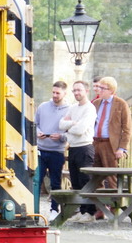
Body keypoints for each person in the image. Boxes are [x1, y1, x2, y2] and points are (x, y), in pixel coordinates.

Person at [59, 80, 97, 222]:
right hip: (73, 148)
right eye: (74, 90)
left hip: (84, 147)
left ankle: (90, 212)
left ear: (86, 91)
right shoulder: (73, 108)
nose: (76, 93)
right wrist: (72, 124)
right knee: (75, 181)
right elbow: (61, 124)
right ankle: (82, 210)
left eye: (79, 90)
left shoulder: (89, 108)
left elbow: (81, 130)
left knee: (86, 181)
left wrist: (70, 128)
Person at [36, 81, 70, 221]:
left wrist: (61, 137)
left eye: (58, 93)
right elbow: (35, 123)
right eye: (53, 92)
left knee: (55, 181)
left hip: (57, 150)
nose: (55, 95)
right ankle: (34, 209)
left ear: (64, 93)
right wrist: (38, 132)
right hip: (40, 149)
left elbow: (71, 131)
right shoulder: (43, 107)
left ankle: (54, 209)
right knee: (36, 180)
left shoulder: (69, 110)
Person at [92, 77, 131, 198]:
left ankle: (115, 206)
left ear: (111, 90)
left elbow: (127, 129)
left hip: (110, 144)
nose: (100, 90)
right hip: (95, 143)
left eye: (103, 88)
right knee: (95, 176)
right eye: (99, 87)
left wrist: (122, 148)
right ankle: (100, 207)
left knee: (111, 176)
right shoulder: (96, 103)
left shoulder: (121, 104)